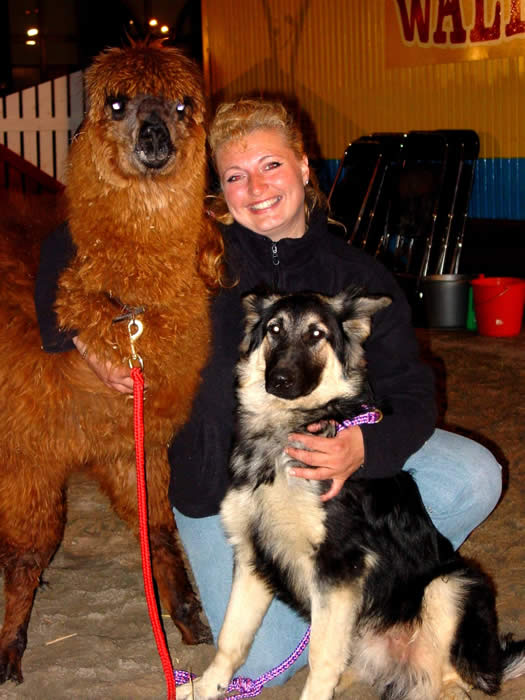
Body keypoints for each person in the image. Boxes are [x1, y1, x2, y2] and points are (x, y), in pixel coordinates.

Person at [35, 98, 502, 687]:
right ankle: (340, 602)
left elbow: (412, 395)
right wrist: (86, 342)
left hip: (331, 464)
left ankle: (371, 592)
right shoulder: (194, 256)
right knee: (260, 662)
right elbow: (65, 245)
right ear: (219, 189)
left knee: (475, 472)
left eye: (270, 166)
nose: (255, 188)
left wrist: (364, 449)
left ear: (304, 168)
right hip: (226, 486)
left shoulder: (358, 275)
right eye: (235, 175)